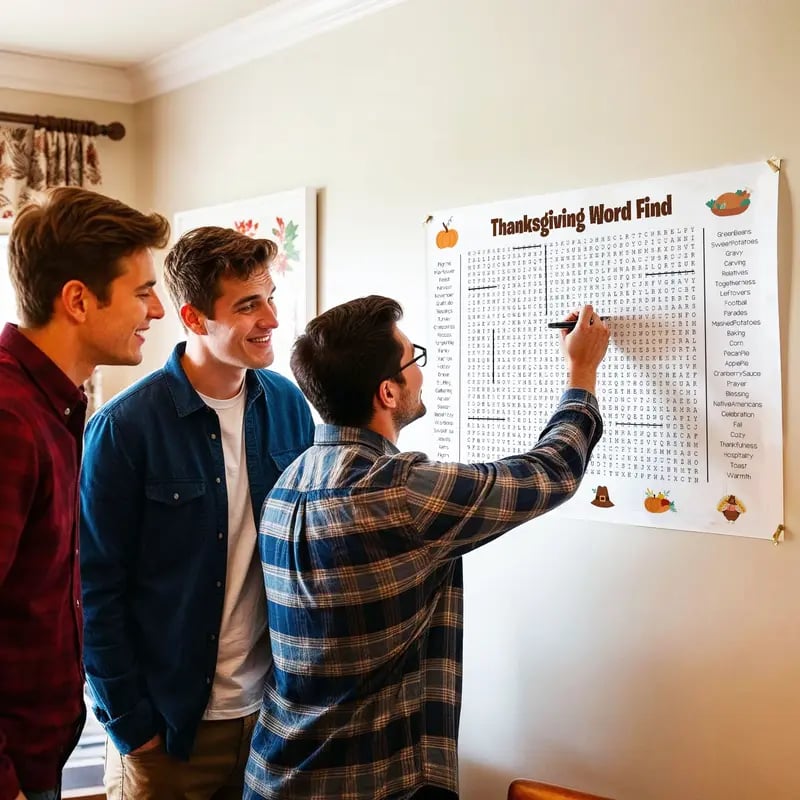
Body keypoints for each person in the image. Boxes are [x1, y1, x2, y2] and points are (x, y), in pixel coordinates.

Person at [245, 296, 610, 800]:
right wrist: (582, 371)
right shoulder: (396, 492)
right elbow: (552, 471)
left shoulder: (289, 482)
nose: (421, 371)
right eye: (413, 358)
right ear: (388, 392)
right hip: (363, 783)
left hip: (274, 773)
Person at [80, 226, 315, 800]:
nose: (271, 319)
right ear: (193, 317)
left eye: (270, 299)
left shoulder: (288, 404)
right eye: (248, 305)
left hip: (272, 719)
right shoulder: (124, 428)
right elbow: (92, 591)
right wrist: (131, 726)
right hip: (167, 733)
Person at [0, 187, 170, 800]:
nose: (156, 311)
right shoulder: (10, 418)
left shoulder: (54, 408)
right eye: (142, 292)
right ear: (78, 299)